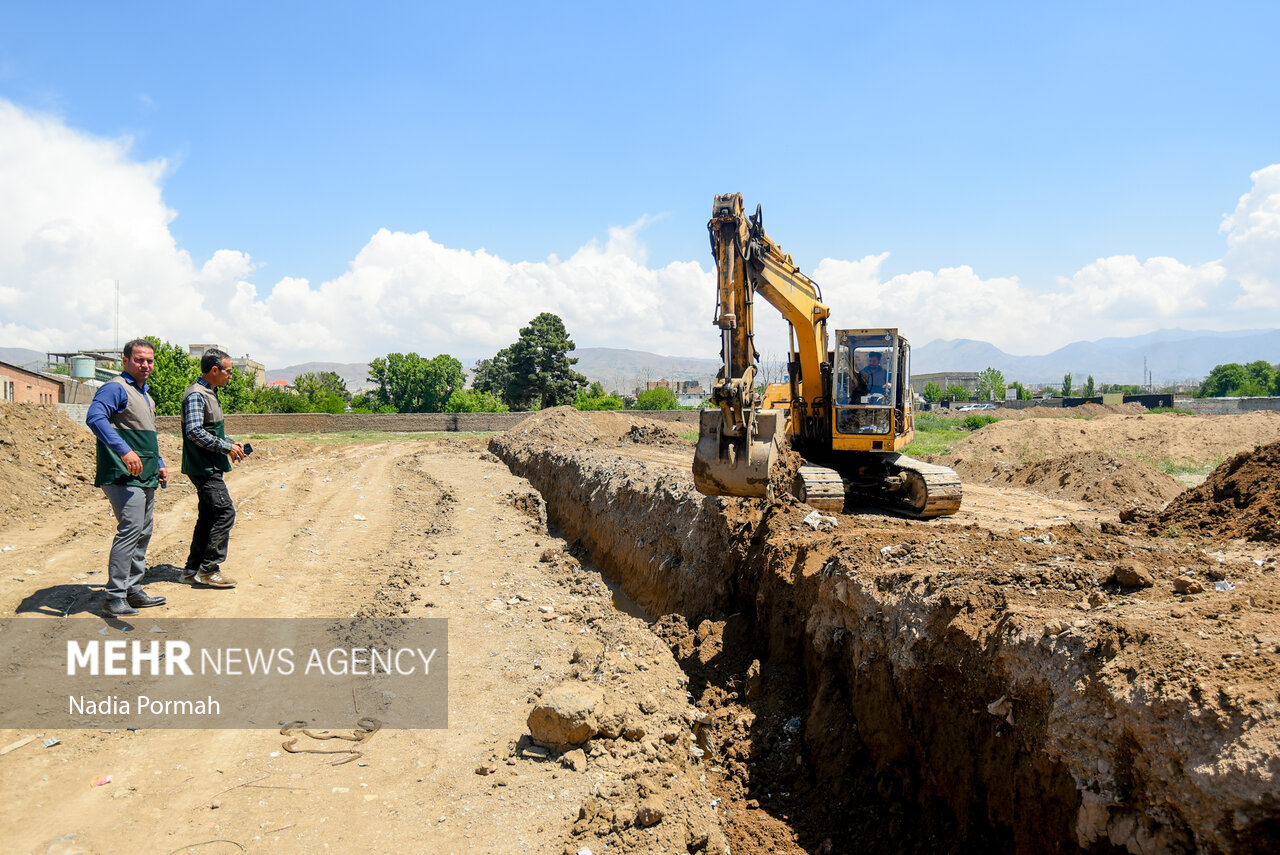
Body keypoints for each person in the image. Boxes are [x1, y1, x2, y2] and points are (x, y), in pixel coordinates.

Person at [87, 338, 169, 617]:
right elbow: (95, 418)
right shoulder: (116, 388)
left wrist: (158, 462)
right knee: (130, 529)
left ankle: (133, 590)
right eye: (139, 359)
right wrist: (124, 451)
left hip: (143, 473)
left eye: (149, 360)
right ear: (125, 361)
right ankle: (115, 597)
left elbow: (145, 434)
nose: (145, 365)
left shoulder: (146, 395)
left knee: (143, 531)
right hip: (122, 474)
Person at [180, 348, 246, 588]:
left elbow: (210, 429)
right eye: (228, 371)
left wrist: (231, 443)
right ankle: (209, 570)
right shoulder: (196, 395)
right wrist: (225, 448)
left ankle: (192, 569)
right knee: (224, 512)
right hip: (203, 467)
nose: (231, 375)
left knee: (208, 516)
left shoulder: (209, 392)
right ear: (214, 370)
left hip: (209, 464)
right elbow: (195, 432)